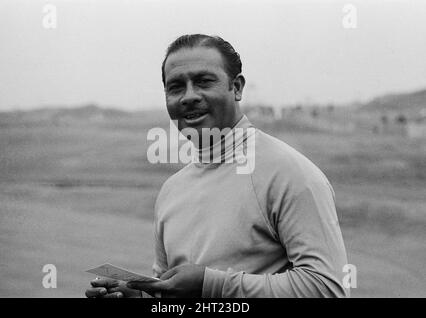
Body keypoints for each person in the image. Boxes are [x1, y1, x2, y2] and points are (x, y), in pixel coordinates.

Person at [85, 34, 350, 298]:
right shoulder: (171, 190)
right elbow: (172, 294)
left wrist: (210, 284)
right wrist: (142, 297)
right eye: (176, 86)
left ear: (236, 88)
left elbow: (327, 288)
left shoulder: (290, 174)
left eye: (203, 81)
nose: (189, 96)